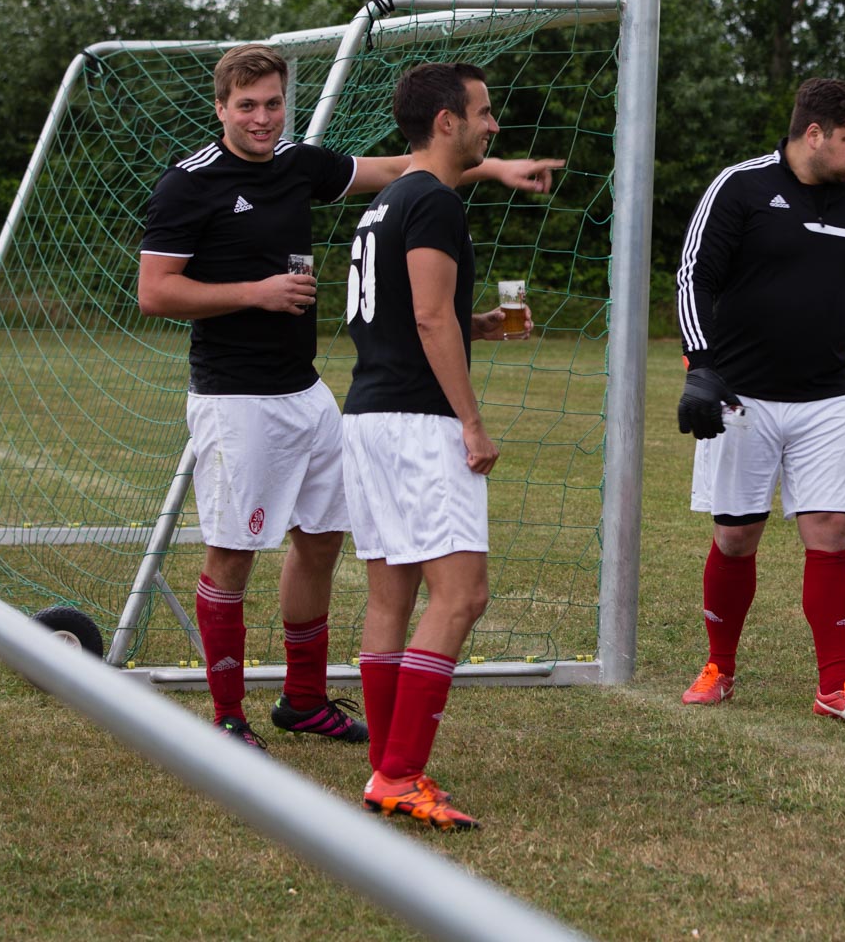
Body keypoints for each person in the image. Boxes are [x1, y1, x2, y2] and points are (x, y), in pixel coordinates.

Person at [138, 45, 559, 750]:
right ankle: (228, 716)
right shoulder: (189, 183)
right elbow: (155, 292)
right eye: (247, 106)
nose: (263, 118)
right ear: (221, 109)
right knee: (234, 554)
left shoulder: (298, 163)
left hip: (307, 392)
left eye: (274, 103)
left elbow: (404, 167)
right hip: (234, 397)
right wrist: (256, 293)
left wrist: (496, 168)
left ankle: (303, 699)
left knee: (322, 539)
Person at [342, 61, 532, 831]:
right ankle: (399, 773)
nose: (493, 125)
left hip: (369, 416)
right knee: (461, 596)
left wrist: (475, 324)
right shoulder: (434, 201)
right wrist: (472, 424)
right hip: (417, 424)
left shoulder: (385, 202)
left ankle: (386, 764)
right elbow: (426, 318)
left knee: (391, 596)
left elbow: (400, 313)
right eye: (483, 112)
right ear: (446, 121)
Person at [673, 78, 845, 725]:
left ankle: (835, 685)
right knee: (736, 536)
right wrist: (702, 368)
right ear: (813, 135)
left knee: (832, 530)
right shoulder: (740, 186)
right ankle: (720, 667)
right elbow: (694, 276)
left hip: (827, 396)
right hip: (743, 397)